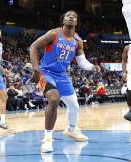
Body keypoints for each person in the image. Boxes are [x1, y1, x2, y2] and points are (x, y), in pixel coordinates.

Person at [29, 10, 100, 153]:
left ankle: (71, 129)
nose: (71, 17)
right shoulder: (54, 34)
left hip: (62, 75)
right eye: (68, 15)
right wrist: (36, 70)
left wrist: (93, 67)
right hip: (45, 73)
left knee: (74, 106)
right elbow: (33, 47)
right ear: (63, 20)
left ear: (77, 22)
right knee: (54, 99)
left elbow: (82, 62)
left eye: (74, 16)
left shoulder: (77, 41)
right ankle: (48, 140)